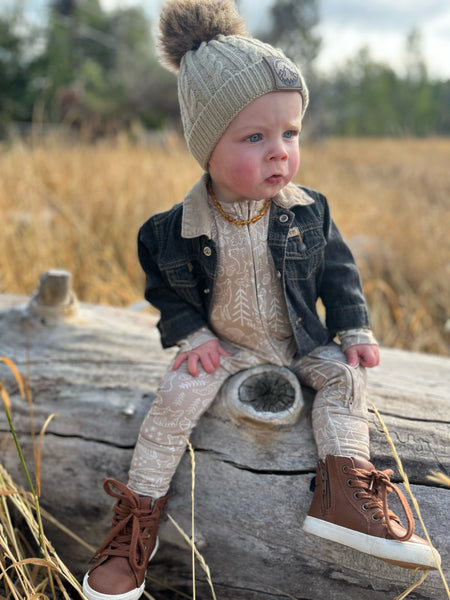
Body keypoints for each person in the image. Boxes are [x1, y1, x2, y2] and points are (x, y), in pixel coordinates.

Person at [82, 1, 441, 599]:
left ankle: (343, 489)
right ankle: (136, 521)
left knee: (347, 381)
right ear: (206, 147)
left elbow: (339, 274)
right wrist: (192, 335)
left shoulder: (308, 210)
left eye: (290, 133)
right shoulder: (171, 230)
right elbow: (164, 289)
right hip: (226, 349)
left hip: (299, 343)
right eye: (255, 136)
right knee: (172, 397)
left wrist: (353, 329)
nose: (280, 151)